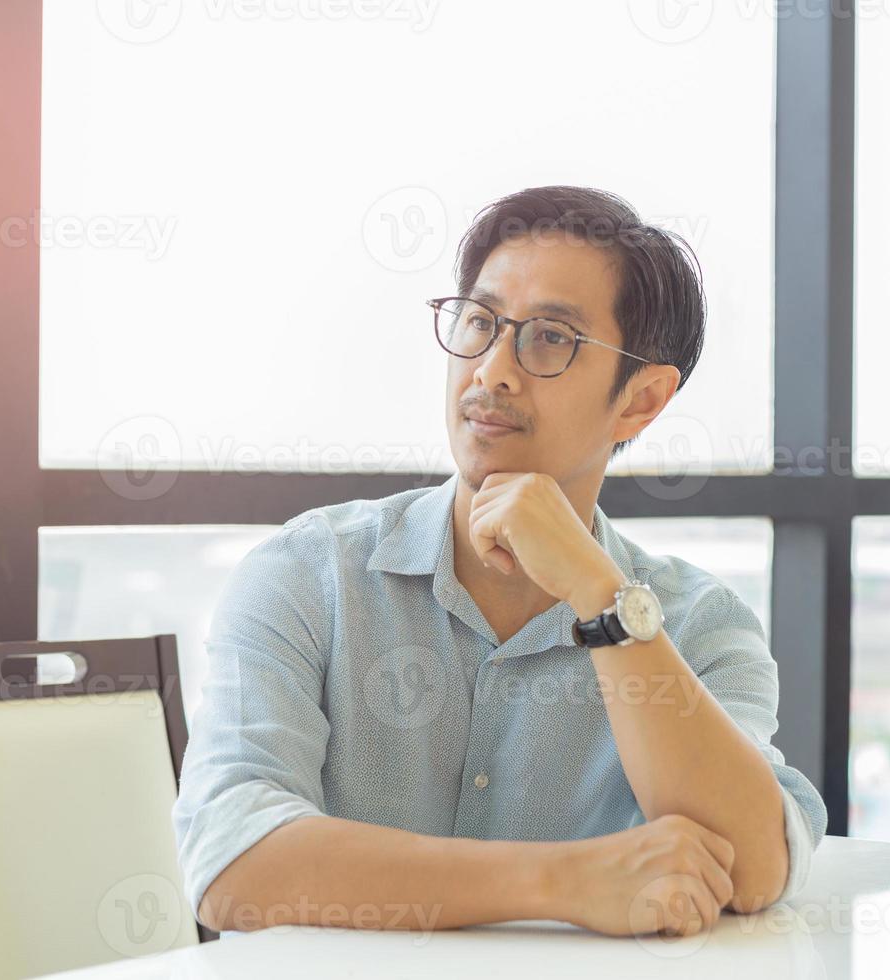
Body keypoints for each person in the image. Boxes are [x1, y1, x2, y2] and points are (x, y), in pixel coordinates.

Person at [172, 185, 826, 938]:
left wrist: (601, 597)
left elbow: (751, 867)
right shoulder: (306, 576)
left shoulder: (697, 626)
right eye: (480, 323)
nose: (491, 370)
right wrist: (568, 881)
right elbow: (232, 865)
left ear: (641, 401)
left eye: (550, 338)